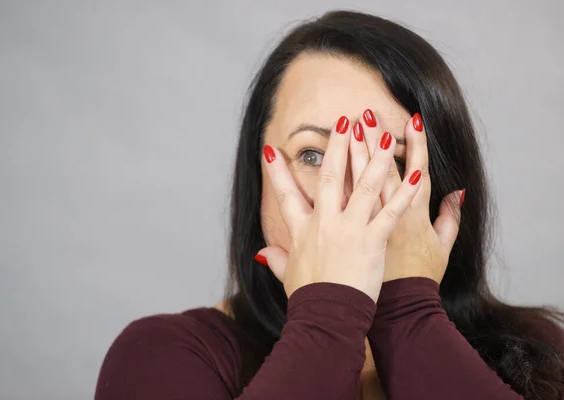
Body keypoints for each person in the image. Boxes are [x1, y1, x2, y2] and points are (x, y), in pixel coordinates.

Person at [94, 10, 564, 400]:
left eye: (392, 160)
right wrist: (328, 313)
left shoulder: (539, 349)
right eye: (313, 155)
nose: (350, 195)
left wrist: (407, 311)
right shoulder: (163, 356)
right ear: (257, 173)